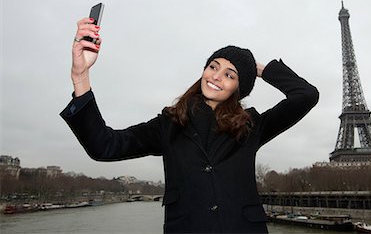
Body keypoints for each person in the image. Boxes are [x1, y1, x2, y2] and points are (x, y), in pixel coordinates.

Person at [60, 17, 319, 234]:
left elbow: (306, 95)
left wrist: (258, 69)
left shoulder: (251, 126)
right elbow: (103, 145)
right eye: (213, 66)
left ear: (239, 88)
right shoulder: (169, 124)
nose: (216, 76)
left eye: (230, 74)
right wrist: (80, 76)